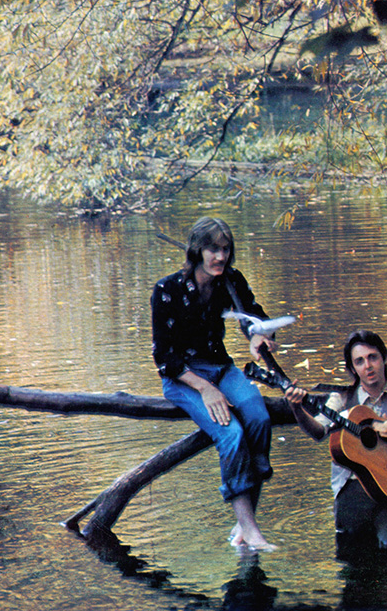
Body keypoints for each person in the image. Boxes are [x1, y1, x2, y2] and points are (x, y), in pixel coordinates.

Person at [151, 216, 279, 551]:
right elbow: (163, 356)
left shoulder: (231, 281)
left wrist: (258, 337)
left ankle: (244, 525)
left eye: (225, 249)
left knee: (258, 417)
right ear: (197, 250)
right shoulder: (167, 290)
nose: (220, 257)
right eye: (212, 249)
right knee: (231, 433)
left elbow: (254, 317)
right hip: (183, 378)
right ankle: (250, 530)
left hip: (221, 368)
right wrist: (205, 389)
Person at [286, 330, 387, 552]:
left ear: (385, 358)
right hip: (353, 489)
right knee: (351, 546)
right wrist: (297, 408)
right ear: (353, 369)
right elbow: (319, 431)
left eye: (373, 357)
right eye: (359, 361)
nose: (367, 366)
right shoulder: (342, 399)